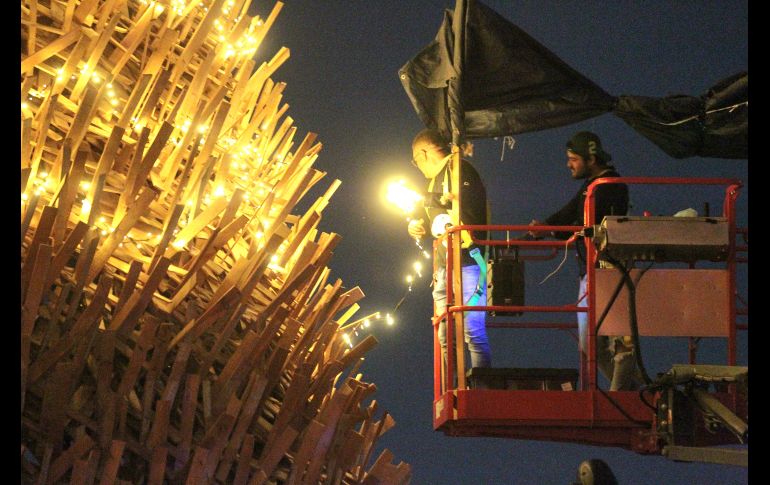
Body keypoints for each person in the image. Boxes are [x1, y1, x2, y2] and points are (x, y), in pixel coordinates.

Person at [529, 131, 639, 391]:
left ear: (591, 159)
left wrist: (552, 229)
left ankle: (622, 396)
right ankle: (629, 393)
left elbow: (583, 223)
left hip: (610, 272)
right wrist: (545, 227)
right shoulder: (592, 186)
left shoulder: (609, 186)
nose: (569, 164)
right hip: (590, 274)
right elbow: (570, 214)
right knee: (591, 344)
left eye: (573, 159)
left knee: (620, 342)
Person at [407, 128, 491, 369]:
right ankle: (451, 391)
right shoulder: (434, 182)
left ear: (424, 153)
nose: (418, 167)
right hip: (445, 267)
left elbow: (468, 213)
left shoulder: (459, 170)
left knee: (472, 330)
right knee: (445, 335)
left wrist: (431, 201)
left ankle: (481, 389)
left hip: (469, 262)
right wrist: (416, 224)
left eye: (416, 160)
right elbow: (430, 215)